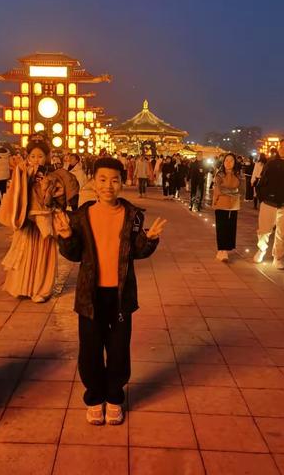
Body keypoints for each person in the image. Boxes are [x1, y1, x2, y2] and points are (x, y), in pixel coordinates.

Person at [54, 157, 166, 426]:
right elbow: (74, 255)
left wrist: (149, 240)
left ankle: (115, 396)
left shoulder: (133, 215)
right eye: (102, 179)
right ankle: (94, 397)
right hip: (89, 296)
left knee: (118, 349)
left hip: (120, 296)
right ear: (93, 181)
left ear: (122, 182)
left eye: (114, 180)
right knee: (90, 349)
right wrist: (67, 236)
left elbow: (136, 252)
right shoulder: (81, 215)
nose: (108, 185)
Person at [0, 134, 61, 302]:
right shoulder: (22, 171)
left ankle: (41, 289)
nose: (36, 159)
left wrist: (47, 186)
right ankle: (22, 286)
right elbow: (16, 191)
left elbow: (58, 195)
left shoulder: (53, 173)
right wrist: (26, 177)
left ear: (47, 157)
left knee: (43, 253)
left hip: (45, 220)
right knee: (25, 251)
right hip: (27, 220)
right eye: (32, 156)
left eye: (40, 156)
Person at [254, 138, 284, 270]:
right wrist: (262, 196)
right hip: (269, 202)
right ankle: (262, 250)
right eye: (281, 146)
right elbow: (262, 181)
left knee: (282, 233)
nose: (283, 149)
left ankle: (278, 257)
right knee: (264, 230)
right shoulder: (271, 163)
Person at [212, 153, 244, 262]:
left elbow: (241, 190)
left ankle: (226, 249)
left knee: (230, 228)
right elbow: (220, 190)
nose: (228, 163)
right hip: (221, 204)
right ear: (223, 162)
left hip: (233, 205)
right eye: (226, 160)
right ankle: (221, 250)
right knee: (221, 228)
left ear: (235, 163)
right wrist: (233, 191)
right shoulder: (219, 175)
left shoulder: (238, 175)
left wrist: (231, 192)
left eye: (231, 160)